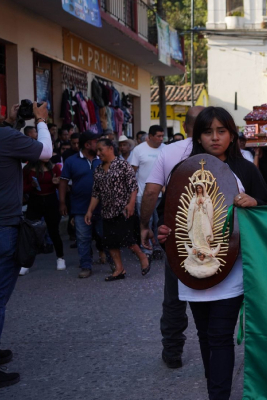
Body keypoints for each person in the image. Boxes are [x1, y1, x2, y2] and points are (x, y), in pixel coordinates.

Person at [155, 106, 267, 400]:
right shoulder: (183, 171)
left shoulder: (245, 170)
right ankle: (214, 389)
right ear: (198, 136)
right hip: (191, 265)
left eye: (222, 131)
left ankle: (217, 395)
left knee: (220, 336)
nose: (215, 138)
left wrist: (254, 202)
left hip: (230, 268)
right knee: (205, 335)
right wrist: (164, 233)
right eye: (208, 132)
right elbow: (167, 215)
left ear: (232, 136)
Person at [140, 106, 203, 369]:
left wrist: (144, 224)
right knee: (213, 293)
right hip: (216, 235)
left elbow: (152, 192)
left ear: (185, 127)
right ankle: (213, 348)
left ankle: (173, 350)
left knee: (174, 295)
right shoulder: (221, 150)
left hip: (176, 234)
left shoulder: (170, 151)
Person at [0, 91, 52, 388]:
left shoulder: (6, 137)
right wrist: (40, 120)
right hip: (2, 228)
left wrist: (15, 123)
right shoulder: (3, 138)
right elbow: (44, 152)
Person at [84, 139, 149, 281]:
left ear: (110, 149)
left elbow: (133, 186)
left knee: (127, 238)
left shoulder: (122, 165)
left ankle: (143, 257)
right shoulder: (99, 170)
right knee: (110, 241)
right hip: (107, 211)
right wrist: (89, 211)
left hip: (123, 209)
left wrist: (131, 204)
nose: (99, 153)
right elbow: (96, 193)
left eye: (101, 150)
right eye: (98, 150)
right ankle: (119, 269)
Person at [59, 132, 104, 279]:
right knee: (83, 238)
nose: (97, 145)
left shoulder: (103, 159)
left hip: (102, 207)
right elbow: (63, 182)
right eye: (94, 142)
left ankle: (113, 263)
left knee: (105, 236)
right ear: (87, 145)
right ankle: (86, 266)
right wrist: (62, 202)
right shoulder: (71, 161)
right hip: (79, 207)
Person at [19, 158, 66, 275]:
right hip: (35, 200)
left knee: (53, 231)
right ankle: (25, 263)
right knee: (30, 232)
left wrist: (57, 183)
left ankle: (60, 258)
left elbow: (62, 185)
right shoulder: (28, 169)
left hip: (51, 200)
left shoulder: (54, 168)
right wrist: (31, 186)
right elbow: (22, 187)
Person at [129, 125, 165, 257]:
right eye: (158, 136)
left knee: (158, 221)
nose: (161, 139)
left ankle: (157, 247)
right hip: (142, 194)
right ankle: (147, 250)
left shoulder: (165, 149)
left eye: (162, 136)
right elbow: (132, 172)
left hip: (160, 194)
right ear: (150, 136)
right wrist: (131, 193)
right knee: (146, 221)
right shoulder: (139, 150)